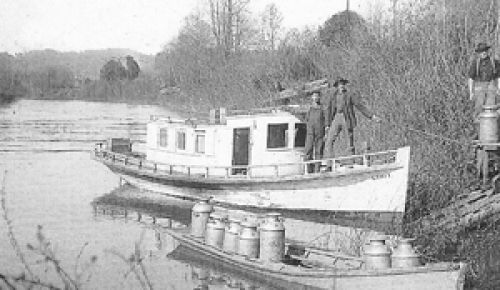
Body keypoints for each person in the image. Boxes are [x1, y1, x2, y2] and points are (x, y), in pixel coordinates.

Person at [324, 78, 381, 158]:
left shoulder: (349, 95)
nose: (342, 86)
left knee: (349, 141)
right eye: (340, 84)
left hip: (346, 117)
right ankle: (329, 164)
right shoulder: (333, 96)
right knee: (329, 141)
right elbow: (328, 110)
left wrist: (372, 116)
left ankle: (351, 161)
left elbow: (359, 106)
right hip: (336, 117)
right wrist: (327, 124)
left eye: (343, 84)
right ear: (337, 86)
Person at [468, 42, 500, 123]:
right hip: (479, 87)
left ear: (488, 51)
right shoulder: (475, 63)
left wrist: (499, 88)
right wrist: (471, 92)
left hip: (491, 86)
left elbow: (499, 76)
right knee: (478, 108)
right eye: (482, 51)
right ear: (478, 53)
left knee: (491, 109)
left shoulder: (494, 61)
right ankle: (479, 130)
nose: (484, 52)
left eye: (485, 50)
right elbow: (471, 78)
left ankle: (491, 129)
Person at [304, 91, 325, 173]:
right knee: (308, 150)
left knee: (318, 151)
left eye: (317, 96)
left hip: (320, 132)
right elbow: (306, 119)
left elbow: (325, 120)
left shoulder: (322, 108)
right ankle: (308, 170)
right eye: (314, 96)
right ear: (312, 98)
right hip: (310, 132)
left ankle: (317, 170)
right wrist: (309, 128)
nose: (315, 98)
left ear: (319, 97)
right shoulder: (309, 108)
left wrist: (325, 132)